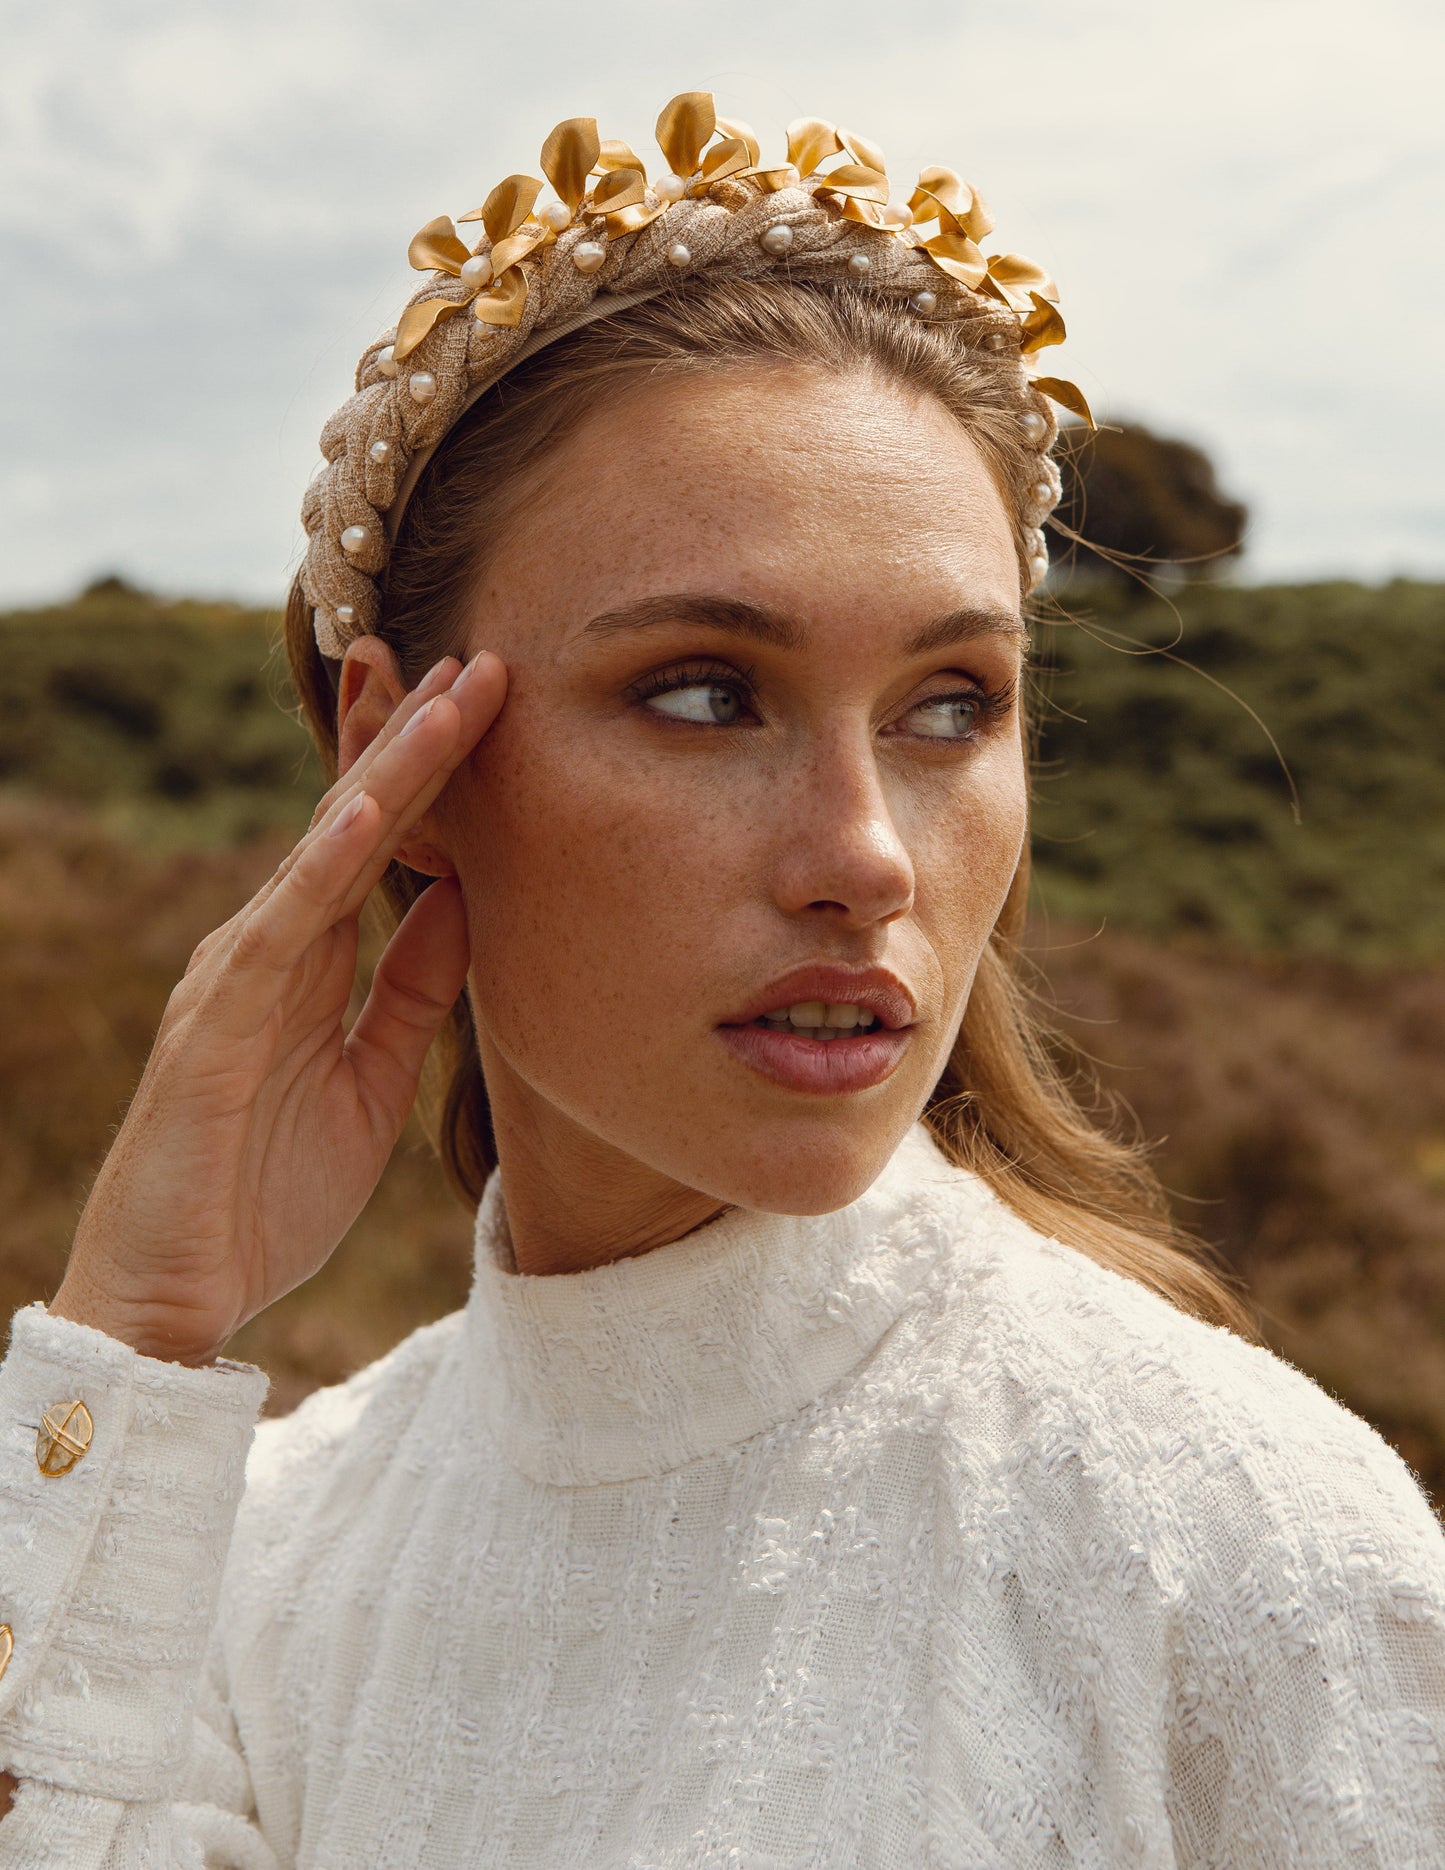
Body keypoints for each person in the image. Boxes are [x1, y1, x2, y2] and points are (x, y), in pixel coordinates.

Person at [0, 92, 1440, 1868]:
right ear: (411, 761)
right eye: (703, 691)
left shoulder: (1241, 1552)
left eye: (947, 706)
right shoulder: (251, 1560)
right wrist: (134, 1332)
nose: (868, 854)